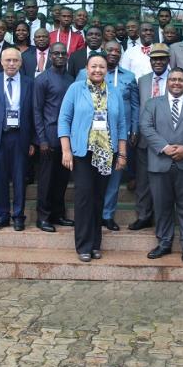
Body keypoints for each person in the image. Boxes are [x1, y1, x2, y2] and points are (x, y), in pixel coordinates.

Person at [59, 54, 128, 262]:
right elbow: (64, 119)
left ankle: (96, 244)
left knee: (99, 199)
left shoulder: (114, 92)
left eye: (102, 67)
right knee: (83, 198)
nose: (97, 70)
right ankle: (83, 246)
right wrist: (66, 150)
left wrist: (122, 153)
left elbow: (122, 124)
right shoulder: (75, 89)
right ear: (86, 69)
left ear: (107, 70)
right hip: (82, 153)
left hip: (107, 153)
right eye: (94, 66)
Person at [141, 67, 183, 262]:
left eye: (181, 80)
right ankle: (164, 243)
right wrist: (164, 147)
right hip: (159, 163)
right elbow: (145, 127)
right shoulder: (153, 104)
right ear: (167, 82)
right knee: (162, 207)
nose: (177, 83)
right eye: (173, 79)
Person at [77, 40, 139, 231]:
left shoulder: (129, 76)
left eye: (117, 51)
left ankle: (107, 215)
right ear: (103, 52)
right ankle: (91, 216)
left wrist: (134, 128)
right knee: (92, 180)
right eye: (109, 50)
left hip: (119, 135)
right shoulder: (84, 74)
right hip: (91, 136)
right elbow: (77, 102)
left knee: (114, 178)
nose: (113, 53)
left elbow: (135, 105)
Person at [0, 48, 35, 231]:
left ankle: (18, 216)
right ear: (1, 62)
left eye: (15, 60)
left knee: (20, 179)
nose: (11, 64)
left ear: (20, 63)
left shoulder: (29, 83)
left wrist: (33, 140)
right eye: (8, 60)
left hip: (21, 137)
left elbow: (34, 113)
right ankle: (1, 215)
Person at [34, 42, 76, 232]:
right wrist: (41, 139)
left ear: (67, 56)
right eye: (56, 53)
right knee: (46, 181)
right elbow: (36, 111)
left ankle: (58, 215)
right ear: (50, 56)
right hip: (49, 138)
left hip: (67, 139)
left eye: (63, 53)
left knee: (62, 180)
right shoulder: (42, 79)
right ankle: (43, 217)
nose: (60, 56)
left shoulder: (71, 79)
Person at [131, 44, 171, 231]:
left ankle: (163, 218)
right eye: (155, 58)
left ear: (168, 60)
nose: (158, 62)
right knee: (143, 181)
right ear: (150, 60)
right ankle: (144, 215)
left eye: (162, 58)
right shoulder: (143, 81)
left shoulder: (175, 79)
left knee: (164, 181)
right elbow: (137, 108)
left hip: (168, 140)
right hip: (145, 139)